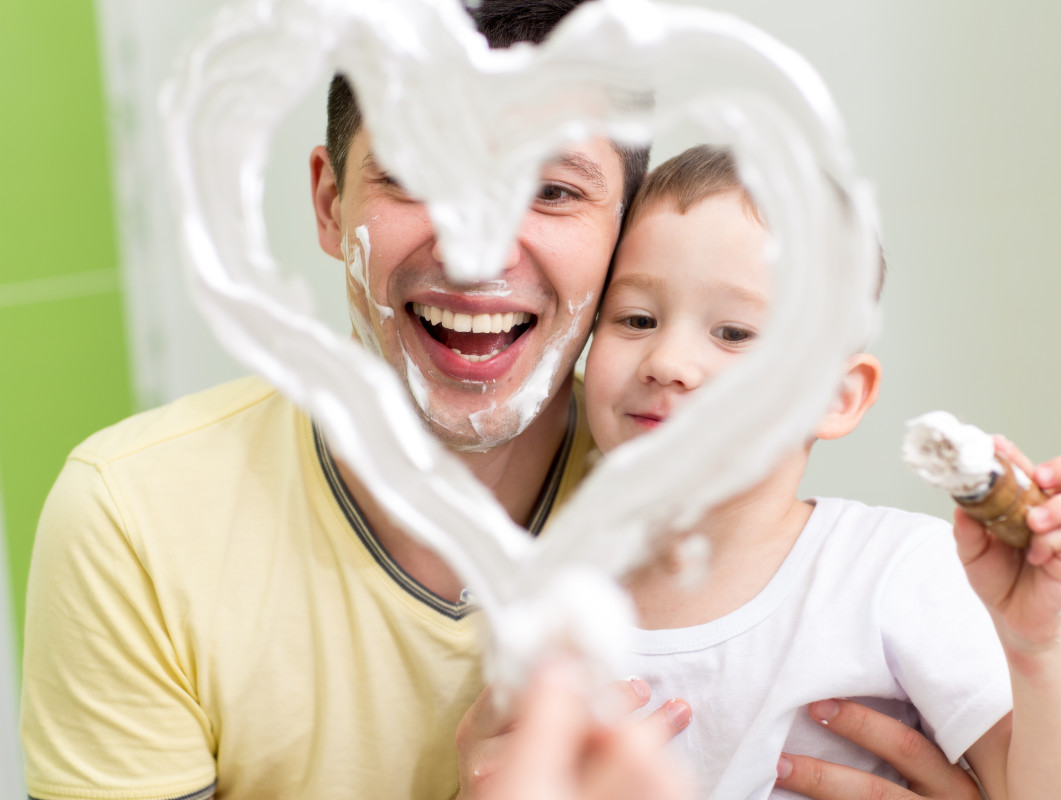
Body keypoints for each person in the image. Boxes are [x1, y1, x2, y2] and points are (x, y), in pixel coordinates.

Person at [20, 3, 999, 800]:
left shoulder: (708, 490)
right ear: (328, 202)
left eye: (554, 191)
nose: (478, 247)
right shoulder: (138, 520)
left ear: (624, 228)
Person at [577, 145, 1061, 799]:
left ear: (837, 398)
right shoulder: (550, 596)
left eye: (734, 333)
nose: (666, 361)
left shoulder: (891, 573)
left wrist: (1038, 644)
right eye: (637, 319)